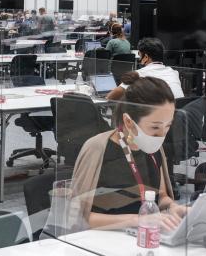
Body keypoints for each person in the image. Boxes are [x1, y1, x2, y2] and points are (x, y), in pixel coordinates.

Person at [70, 76, 187, 232]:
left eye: (168, 126)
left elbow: (160, 196)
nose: (162, 135)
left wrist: (172, 207)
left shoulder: (154, 148)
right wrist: (136, 220)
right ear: (128, 122)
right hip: (102, 238)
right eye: (155, 127)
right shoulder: (98, 149)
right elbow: (80, 217)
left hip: (142, 234)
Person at [107, 37, 183, 100]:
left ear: (146, 57)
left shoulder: (138, 74)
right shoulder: (173, 72)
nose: (139, 58)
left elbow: (111, 97)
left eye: (139, 54)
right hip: (179, 112)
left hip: (158, 113)